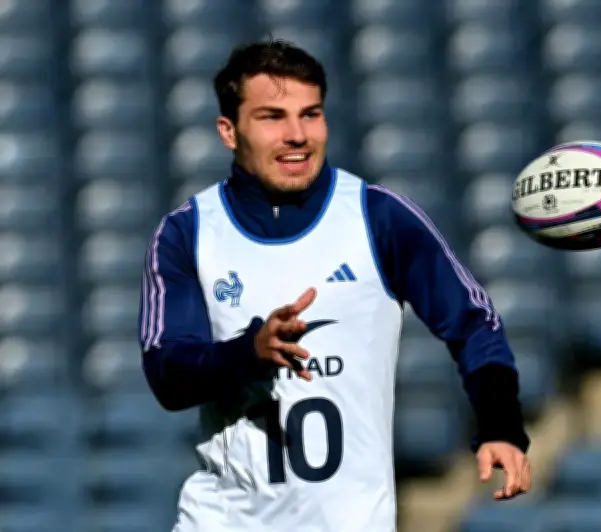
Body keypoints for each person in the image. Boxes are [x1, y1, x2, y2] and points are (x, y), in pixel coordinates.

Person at [139, 38, 531, 532]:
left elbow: (476, 325)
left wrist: (500, 425)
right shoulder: (188, 233)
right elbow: (167, 373)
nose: (297, 134)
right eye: (272, 117)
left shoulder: (379, 218)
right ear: (229, 131)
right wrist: (249, 353)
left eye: (311, 114)